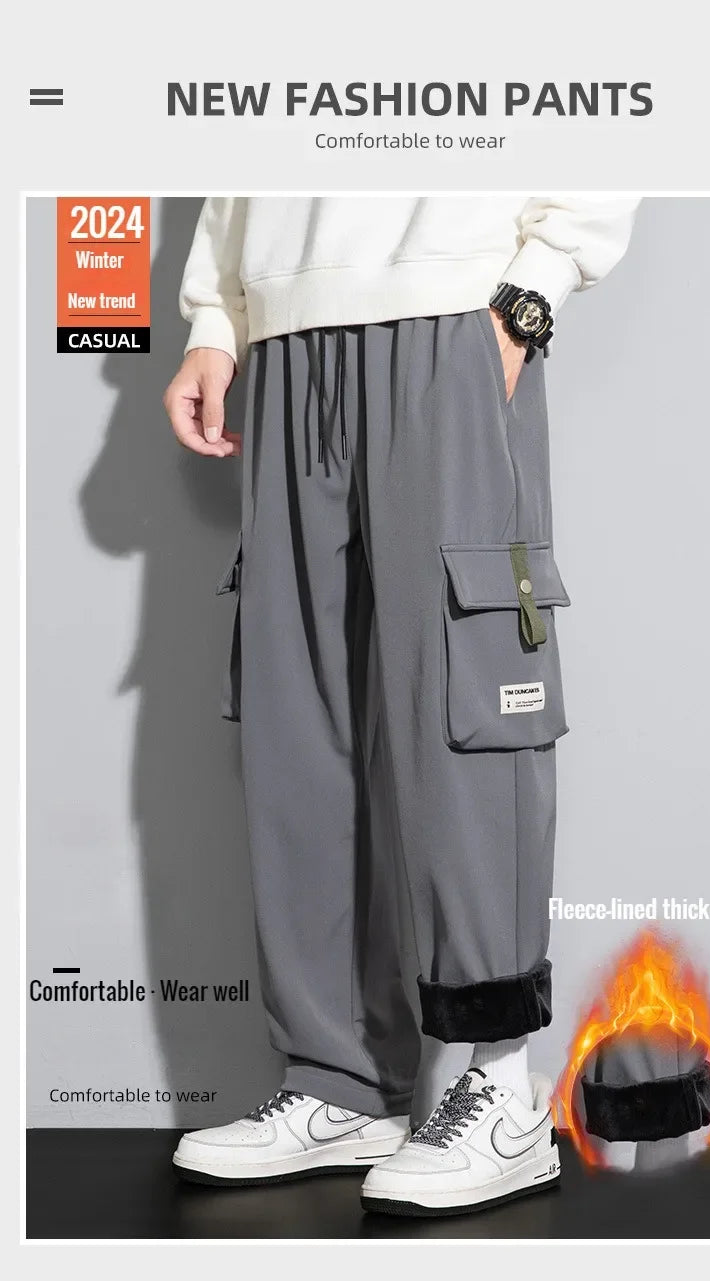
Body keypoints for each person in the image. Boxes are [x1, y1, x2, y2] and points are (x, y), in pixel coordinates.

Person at [163, 195, 639, 1216]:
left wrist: (531, 295)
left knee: (468, 700)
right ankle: (336, 1083)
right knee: (299, 713)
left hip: (450, 312)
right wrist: (217, 320)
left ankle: (501, 1088)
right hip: (287, 334)